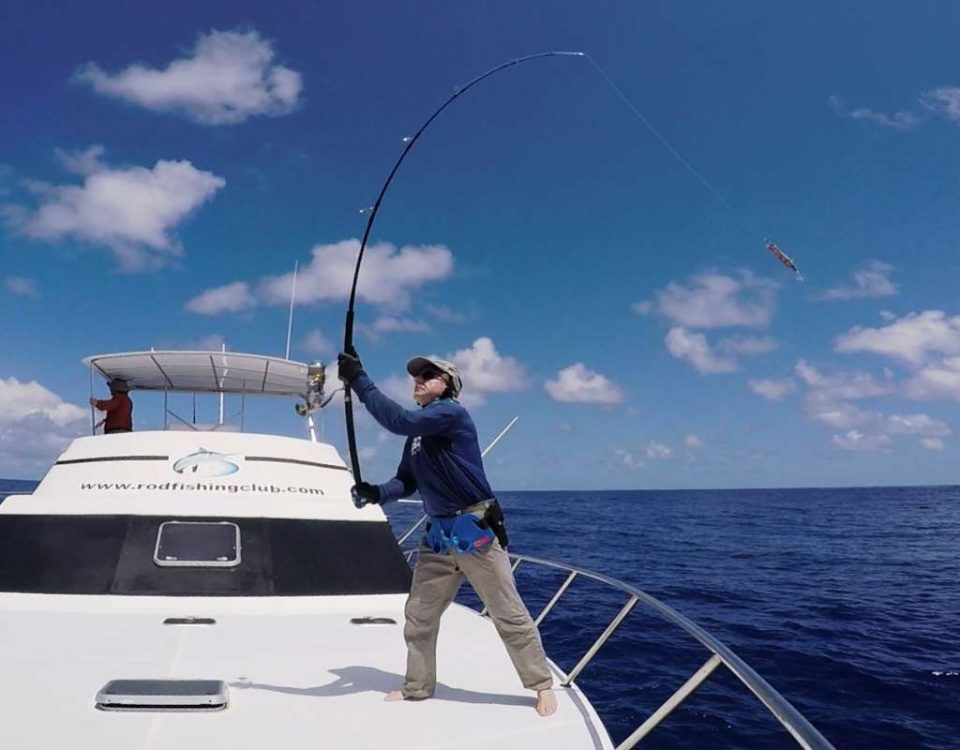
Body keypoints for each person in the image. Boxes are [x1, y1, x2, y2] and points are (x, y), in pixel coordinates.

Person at [338, 350, 558, 717]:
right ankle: (418, 686)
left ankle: (541, 685)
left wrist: (359, 379)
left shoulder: (451, 414)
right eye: (417, 375)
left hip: (475, 534)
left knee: (508, 614)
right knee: (419, 616)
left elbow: (399, 420)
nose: (419, 379)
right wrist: (377, 493)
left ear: (448, 386)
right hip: (437, 538)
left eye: (429, 375)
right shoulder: (418, 438)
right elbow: (405, 482)